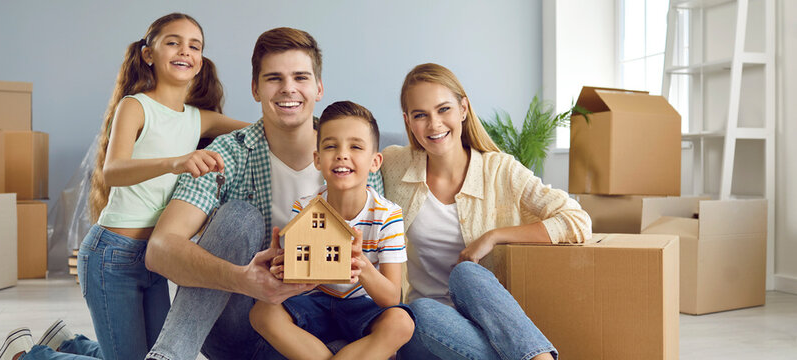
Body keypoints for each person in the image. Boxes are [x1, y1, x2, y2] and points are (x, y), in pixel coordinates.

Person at [0, 13, 247, 360]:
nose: (185, 51)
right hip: (111, 255)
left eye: (195, 46)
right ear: (148, 54)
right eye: (173, 42)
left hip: (156, 259)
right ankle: (26, 356)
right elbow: (113, 171)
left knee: (152, 355)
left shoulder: (197, 118)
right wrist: (176, 162)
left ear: (201, 61)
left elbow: (262, 129)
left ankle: (69, 344)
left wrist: (321, 130)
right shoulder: (135, 106)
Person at [143, 28, 385, 360]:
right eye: (274, 78)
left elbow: (380, 267)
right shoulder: (228, 154)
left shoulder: (357, 156)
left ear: (318, 88)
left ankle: (72, 348)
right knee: (239, 216)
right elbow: (159, 249)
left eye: (300, 77)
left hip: (321, 333)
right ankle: (167, 356)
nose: (288, 88)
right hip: (242, 328)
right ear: (256, 89)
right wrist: (245, 280)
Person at [381, 63, 592, 360]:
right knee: (418, 312)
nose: (434, 124)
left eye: (444, 110)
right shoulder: (392, 164)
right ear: (408, 121)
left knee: (468, 273)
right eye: (420, 115)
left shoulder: (499, 170)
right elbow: (343, 176)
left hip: (490, 328)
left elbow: (577, 220)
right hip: (427, 332)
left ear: (463, 108)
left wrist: (494, 236)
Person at [249, 101, 414, 359]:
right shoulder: (304, 208)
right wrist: (284, 270)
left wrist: (363, 267)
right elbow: (297, 277)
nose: (342, 154)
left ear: (375, 162)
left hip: (363, 307)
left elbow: (392, 297)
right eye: (330, 146)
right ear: (317, 159)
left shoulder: (388, 215)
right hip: (314, 302)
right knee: (261, 312)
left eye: (356, 146)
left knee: (402, 322)